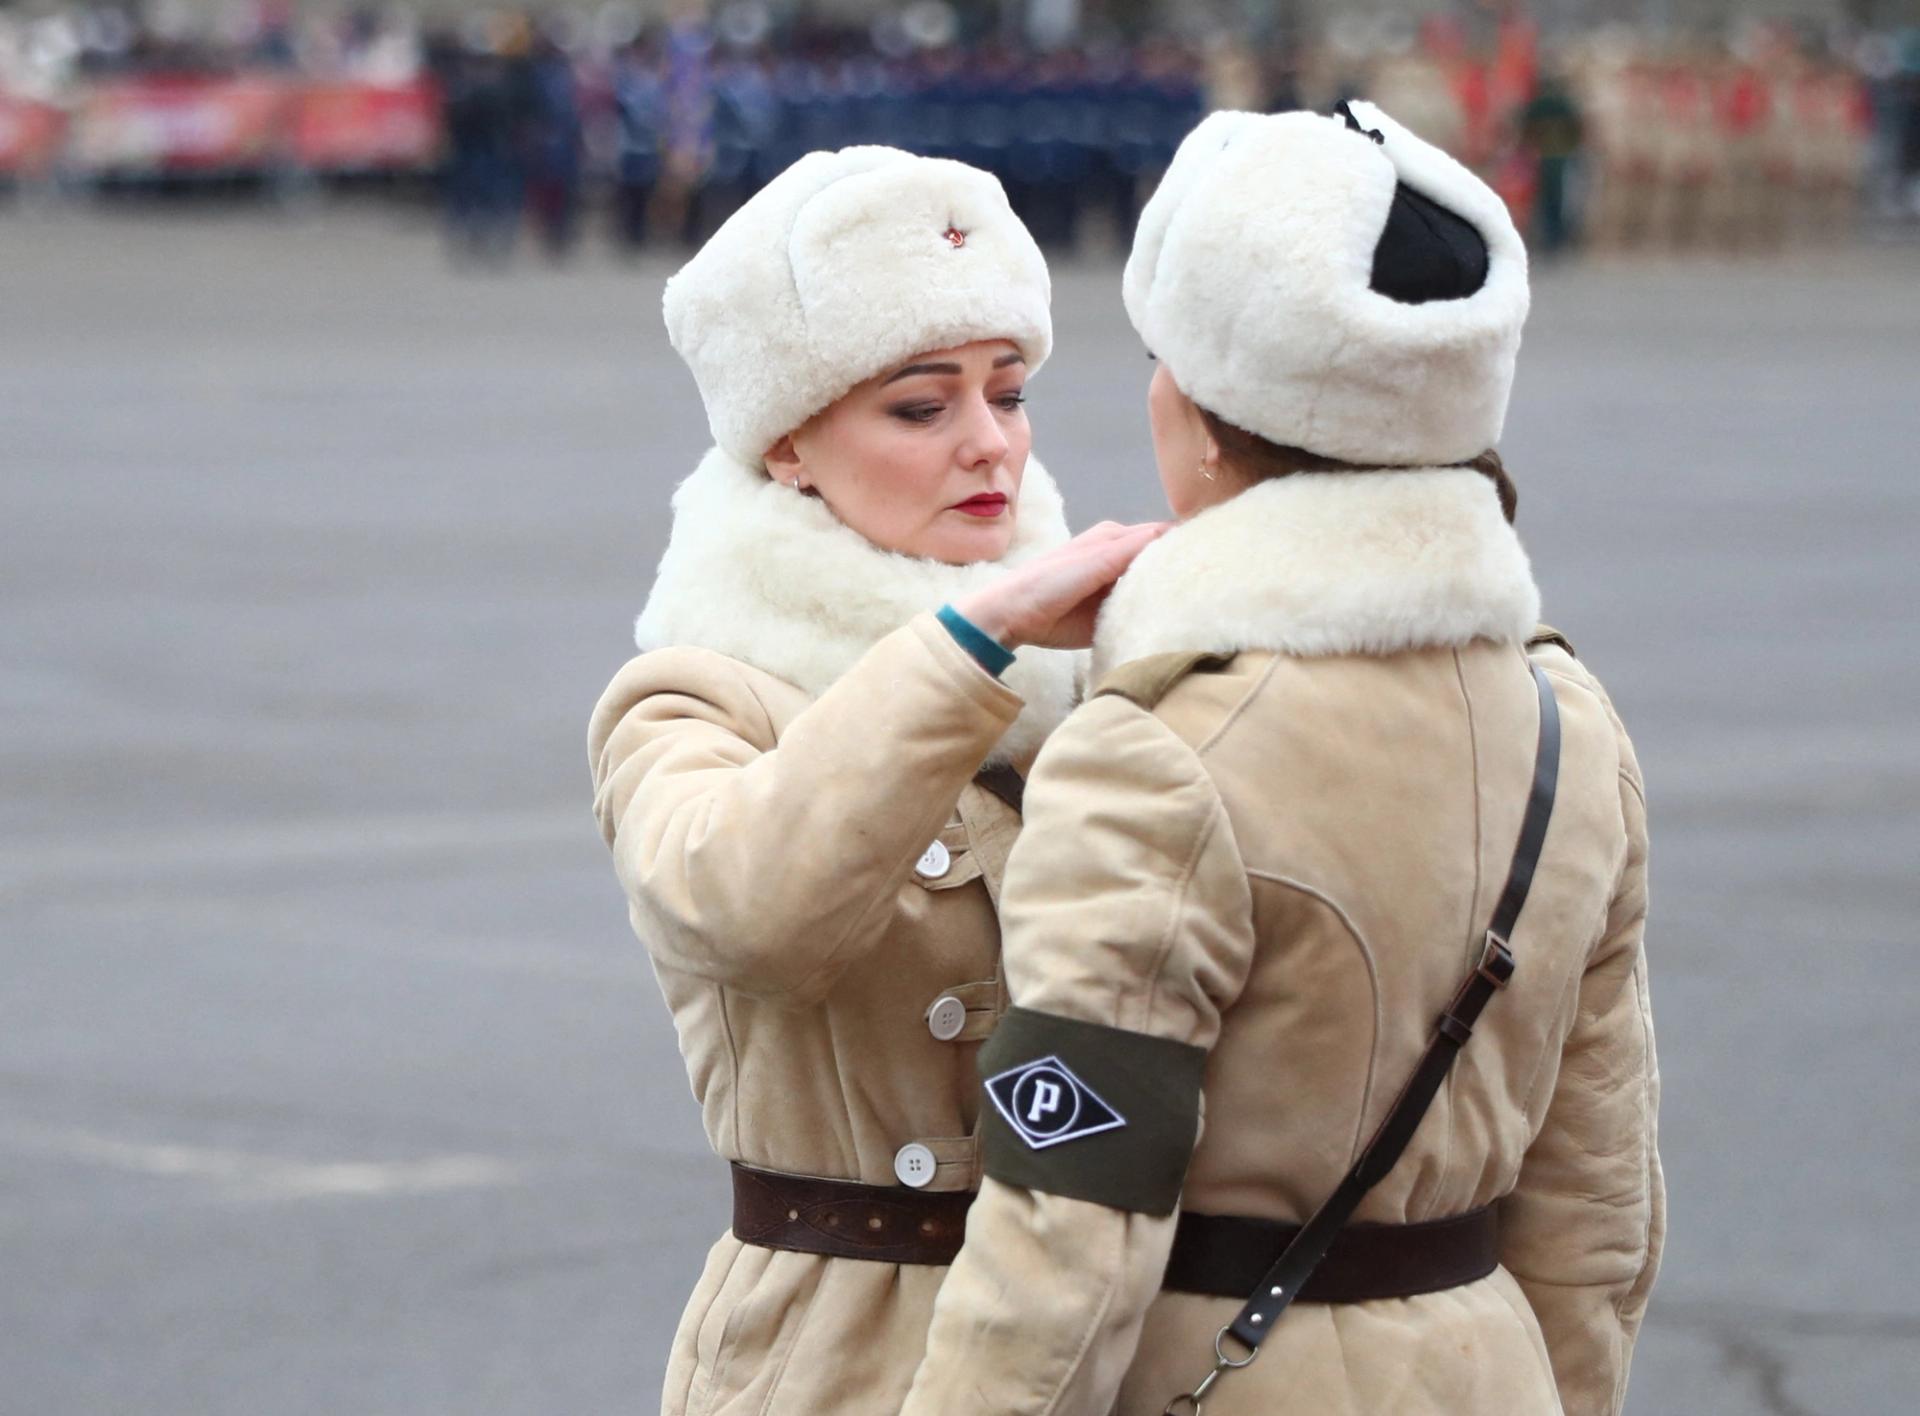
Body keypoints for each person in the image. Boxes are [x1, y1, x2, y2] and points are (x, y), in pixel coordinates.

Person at [902, 102, 1663, 1416]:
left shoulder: (1157, 750)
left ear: (1202, 420)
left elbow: (1064, 1238)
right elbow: (1597, 1207)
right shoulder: (1566, 715)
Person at [586, 145, 1164, 1415]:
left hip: (1113, 1341)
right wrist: (970, 644)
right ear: (788, 444)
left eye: (1008, 396)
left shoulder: (1100, 663)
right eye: (921, 407)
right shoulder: (692, 695)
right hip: (842, 1351)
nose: (989, 449)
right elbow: (749, 909)